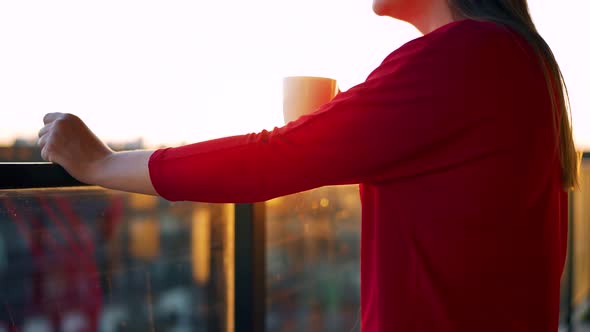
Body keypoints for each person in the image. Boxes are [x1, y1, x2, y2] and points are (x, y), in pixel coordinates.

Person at [38, 0, 578, 331]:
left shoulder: (464, 54)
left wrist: (102, 164)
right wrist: (328, 128)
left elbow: (272, 160)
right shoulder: (518, 58)